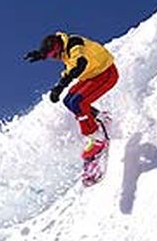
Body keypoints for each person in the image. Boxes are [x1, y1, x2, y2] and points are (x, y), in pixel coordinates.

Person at [24, 31, 119, 159]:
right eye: (52, 57)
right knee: (68, 101)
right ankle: (100, 118)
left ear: (58, 47)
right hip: (92, 75)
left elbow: (80, 64)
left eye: (55, 55)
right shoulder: (64, 52)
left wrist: (61, 86)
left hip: (105, 73)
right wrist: (42, 55)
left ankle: (97, 138)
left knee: (78, 103)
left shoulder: (74, 44)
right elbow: (69, 68)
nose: (56, 58)